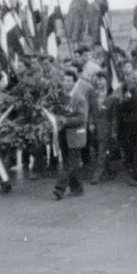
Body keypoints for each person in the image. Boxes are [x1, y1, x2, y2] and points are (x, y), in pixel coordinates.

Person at [53, 70, 88, 200]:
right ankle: (77, 188)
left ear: (74, 82)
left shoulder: (79, 98)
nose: (65, 83)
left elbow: (81, 118)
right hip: (63, 134)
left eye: (69, 81)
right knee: (70, 162)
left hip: (75, 135)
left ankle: (59, 188)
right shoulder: (60, 97)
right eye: (64, 80)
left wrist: (66, 120)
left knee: (71, 163)